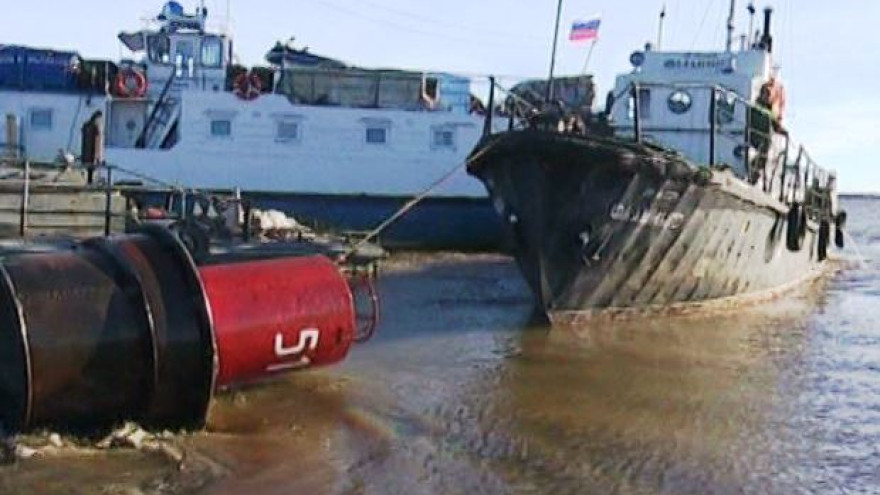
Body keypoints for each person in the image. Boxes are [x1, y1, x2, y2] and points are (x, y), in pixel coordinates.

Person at [80, 110, 104, 184]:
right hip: (92, 149)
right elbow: (97, 138)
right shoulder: (95, 126)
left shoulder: (86, 125)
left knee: (87, 166)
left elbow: (83, 134)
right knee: (91, 166)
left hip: (85, 148)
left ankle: (88, 180)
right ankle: (90, 181)